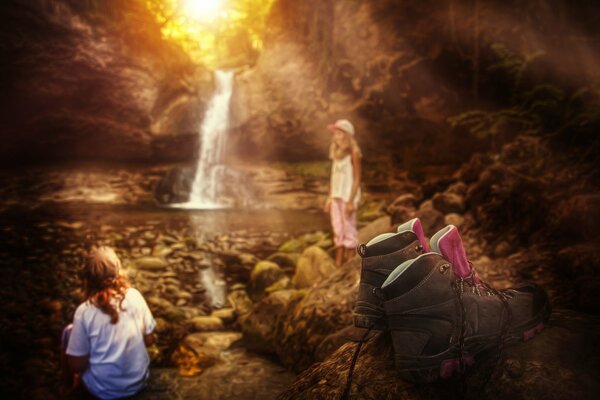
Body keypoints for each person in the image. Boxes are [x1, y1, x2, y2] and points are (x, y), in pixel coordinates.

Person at [61, 246, 156, 399]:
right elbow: (150, 340)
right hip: (138, 382)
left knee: (67, 332)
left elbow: (78, 365)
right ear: (118, 273)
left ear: (88, 279)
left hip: (103, 390)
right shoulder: (135, 295)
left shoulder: (84, 312)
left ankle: (68, 386)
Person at [324, 119, 362, 267]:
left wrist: (351, 200)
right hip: (336, 196)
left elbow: (357, 178)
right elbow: (334, 177)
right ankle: (338, 263)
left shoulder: (353, 153)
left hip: (347, 197)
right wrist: (329, 197)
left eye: (340, 133)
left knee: (349, 227)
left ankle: (349, 263)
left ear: (347, 135)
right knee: (337, 227)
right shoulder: (335, 154)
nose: (336, 136)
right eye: (335, 133)